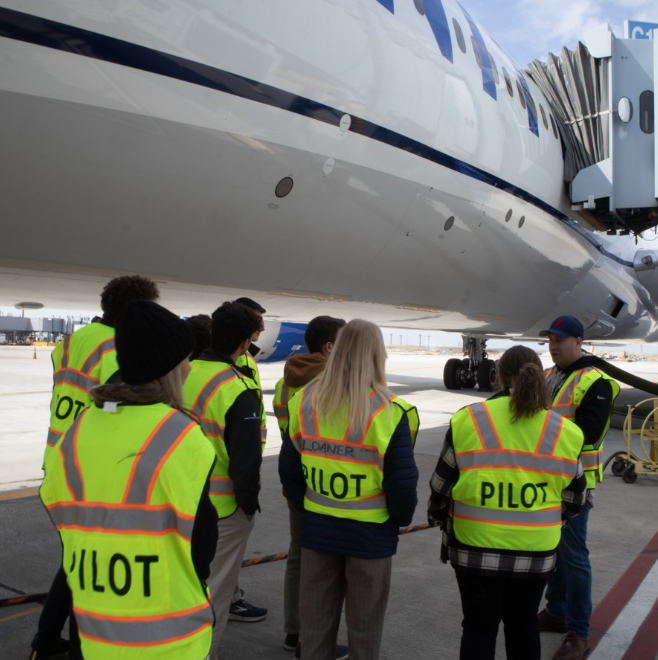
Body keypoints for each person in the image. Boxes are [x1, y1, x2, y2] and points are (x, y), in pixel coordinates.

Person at [39, 300, 218, 660]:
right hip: (167, 633)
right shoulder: (181, 435)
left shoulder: (80, 428)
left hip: (95, 623)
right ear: (167, 366)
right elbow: (202, 543)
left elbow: (59, 508)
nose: (188, 368)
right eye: (184, 358)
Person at [428, 345, 587, 660]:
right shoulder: (565, 432)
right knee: (523, 624)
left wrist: (438, 514)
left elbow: (440, 486)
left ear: (499, 376)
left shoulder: (468, 419)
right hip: (535, 555)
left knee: (478, 626)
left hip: (474, 549)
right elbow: (575, 499)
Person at [31, 274, 160, 660]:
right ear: (136, 310)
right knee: (88, 567)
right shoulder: (116, 348)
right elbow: (113, 409)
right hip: (91, 467)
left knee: (75, 561)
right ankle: (76, 648)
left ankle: (47, 641)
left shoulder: (73, 341)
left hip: (59, 456)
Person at [279, 319, 419, 660]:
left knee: (314, 631)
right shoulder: (390, 410)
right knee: (364, 633)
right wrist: (395, 521)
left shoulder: (304, 401)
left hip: (317, 532)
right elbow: (402, 487)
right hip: (370, 538)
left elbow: (289, 472)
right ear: (377, 355)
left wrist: (311, 508)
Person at [182, 301, 267, 660]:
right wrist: (248, 506)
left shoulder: (182, 373)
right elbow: (244, 464)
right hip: (221, 510)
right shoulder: (236, 388)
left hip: (175, 500)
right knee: (213, 597)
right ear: (245, 344)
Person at [537, 316, 620, 660]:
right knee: (553, 552)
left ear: (578, 341)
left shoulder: (596, 381)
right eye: (550, 341)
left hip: (576, 483)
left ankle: (579, 632)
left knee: (573, 556)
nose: (553, 346)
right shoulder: (549, 375)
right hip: (546, 481)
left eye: (559, 340)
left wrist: (540, 434)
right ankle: (555, 611)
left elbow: (588, 434)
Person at [272, 315, 347, 657]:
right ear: (330, 347)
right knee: (328, 568)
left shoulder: (285, 382)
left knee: (299, 556)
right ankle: (317, 641)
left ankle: (294, 632)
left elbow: (288, 435)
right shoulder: (335, 382)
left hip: (295, 479)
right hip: (329, 482)